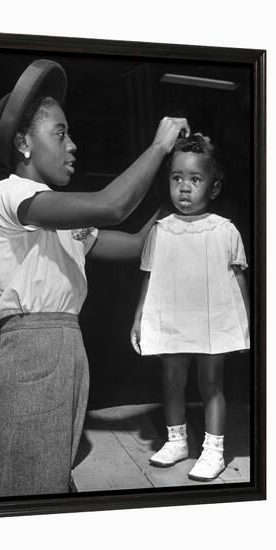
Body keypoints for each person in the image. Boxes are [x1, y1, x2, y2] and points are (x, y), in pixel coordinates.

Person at [0, 58, 190, 498]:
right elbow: (111, 205)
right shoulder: (11, 194)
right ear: (24, 144)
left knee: (43, 486)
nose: (73, 146)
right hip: (30, 358)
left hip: (66, 354)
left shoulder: (60, 219)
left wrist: (177, 192)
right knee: (23, 495)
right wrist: (159, 146)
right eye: (60, 133)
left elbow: (138, 243)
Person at [131, 134, 250, 481]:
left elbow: (239, 279)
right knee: (171, 380)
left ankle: (213, 451)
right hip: (173, 316)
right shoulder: (160, 230)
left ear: (213, 188)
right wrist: (139, 316)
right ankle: (176, 440)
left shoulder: (225, 230)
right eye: (177, 178)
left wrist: (246, 324)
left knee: (211, 382)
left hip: (212, 319)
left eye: (195, 180)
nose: (184, 187)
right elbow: (149, 276)